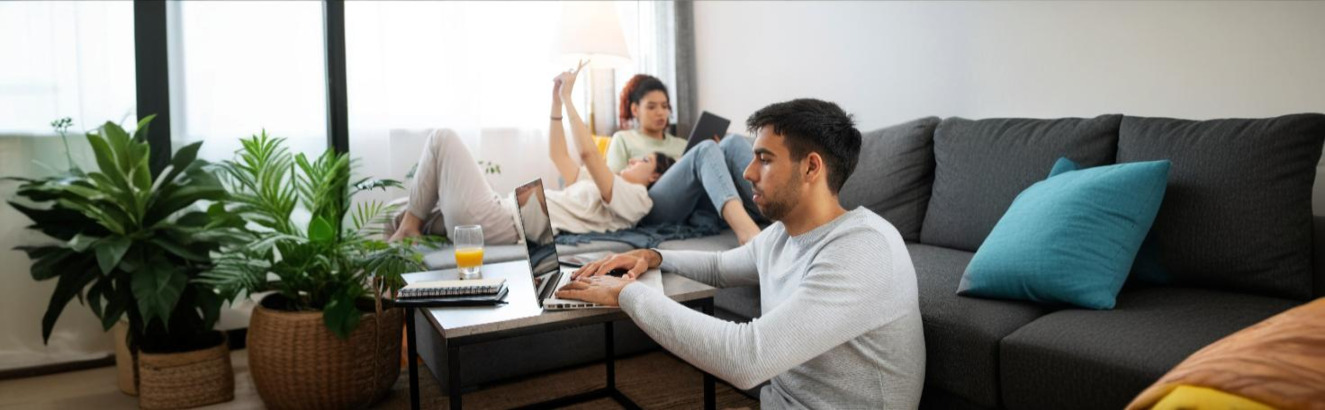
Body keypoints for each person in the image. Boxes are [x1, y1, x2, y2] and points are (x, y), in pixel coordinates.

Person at [555, 99, 926, 409]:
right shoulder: (783, 233)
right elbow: (719, 267)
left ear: (811, 167)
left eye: (764, 159)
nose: (747, 172)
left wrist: (627, 294)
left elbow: (747, 357)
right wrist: (653, 256)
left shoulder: (862, 248)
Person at [389, 62, 676, 243]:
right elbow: (559, 155)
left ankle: (409, 230)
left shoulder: (637, 199)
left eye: (645, 160)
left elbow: (589, 154)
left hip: (504, 224)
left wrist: (569, 97)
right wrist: (556, 103)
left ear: (656, 176)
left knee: (442, 138)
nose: (634, 159)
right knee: (396, 211)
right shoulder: (601, 184)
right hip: (501, 210)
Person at [608, 74, 764, 244]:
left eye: (665, 106)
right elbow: (612, 183)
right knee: (705, 148)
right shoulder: (623, 138)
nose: (660, 112)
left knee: (731, 142)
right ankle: (747, 233)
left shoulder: (681, 143)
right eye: (651, 107)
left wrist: (717, 155)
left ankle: (779, 213)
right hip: (651, 204)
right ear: (635, 110)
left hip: (695, 203)